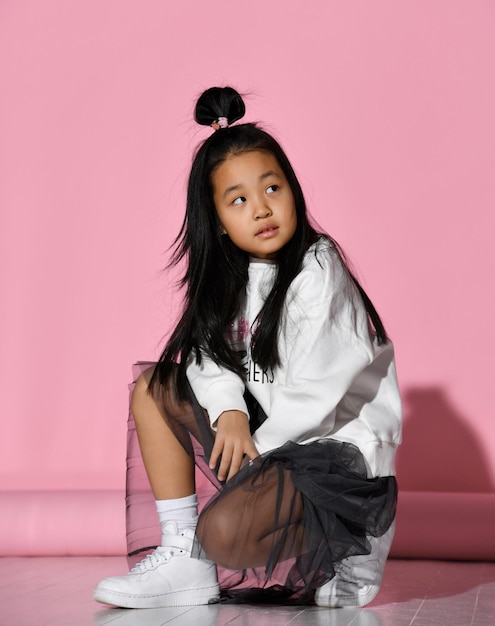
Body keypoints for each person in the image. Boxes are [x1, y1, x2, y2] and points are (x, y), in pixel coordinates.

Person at [94, 86, 401, 609]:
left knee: (224, 535)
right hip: (266, 435)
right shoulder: (227, 277)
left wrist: (254, 457)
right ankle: (183, 560)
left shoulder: (318, 268)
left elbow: (316, 396)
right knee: (155, 387)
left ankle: (356, 544)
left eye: (272, 189)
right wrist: (231, 412)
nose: (261, 210)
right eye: (239, 200)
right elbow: (205, 356)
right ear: (216, 219)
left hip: (333, 455)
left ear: (293, 190)